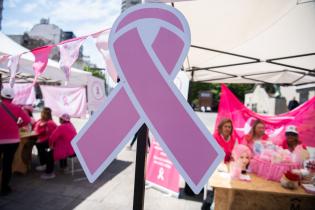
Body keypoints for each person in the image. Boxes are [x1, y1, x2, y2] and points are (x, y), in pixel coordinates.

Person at [0, 87, 31, 195]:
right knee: (7, 164)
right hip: (13, 141)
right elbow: (28, 120)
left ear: (1, 96)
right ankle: (4, 188)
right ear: (12, 98)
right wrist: (18, 125)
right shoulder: (17, 108)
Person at [41, 113, 77, 179]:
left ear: (62, 120)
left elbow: (52, 138)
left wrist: (50, 146)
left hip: (68, 150)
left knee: (48, 151)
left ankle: (49, 172)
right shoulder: (71, 125)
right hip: (74, 149)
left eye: (60, 119)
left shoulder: (61, 127)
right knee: (60, 147)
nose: (59, 120)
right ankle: (64, 167)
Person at [33, 107, 57, 172]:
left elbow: (51, 135)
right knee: (38, 145)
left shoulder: (50, 123)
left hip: (49, 142)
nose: (42, 114)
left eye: (43, 113)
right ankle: (45, 164)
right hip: (44, 141)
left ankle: (45, 165)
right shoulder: (41, 121)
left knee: (42, 147)